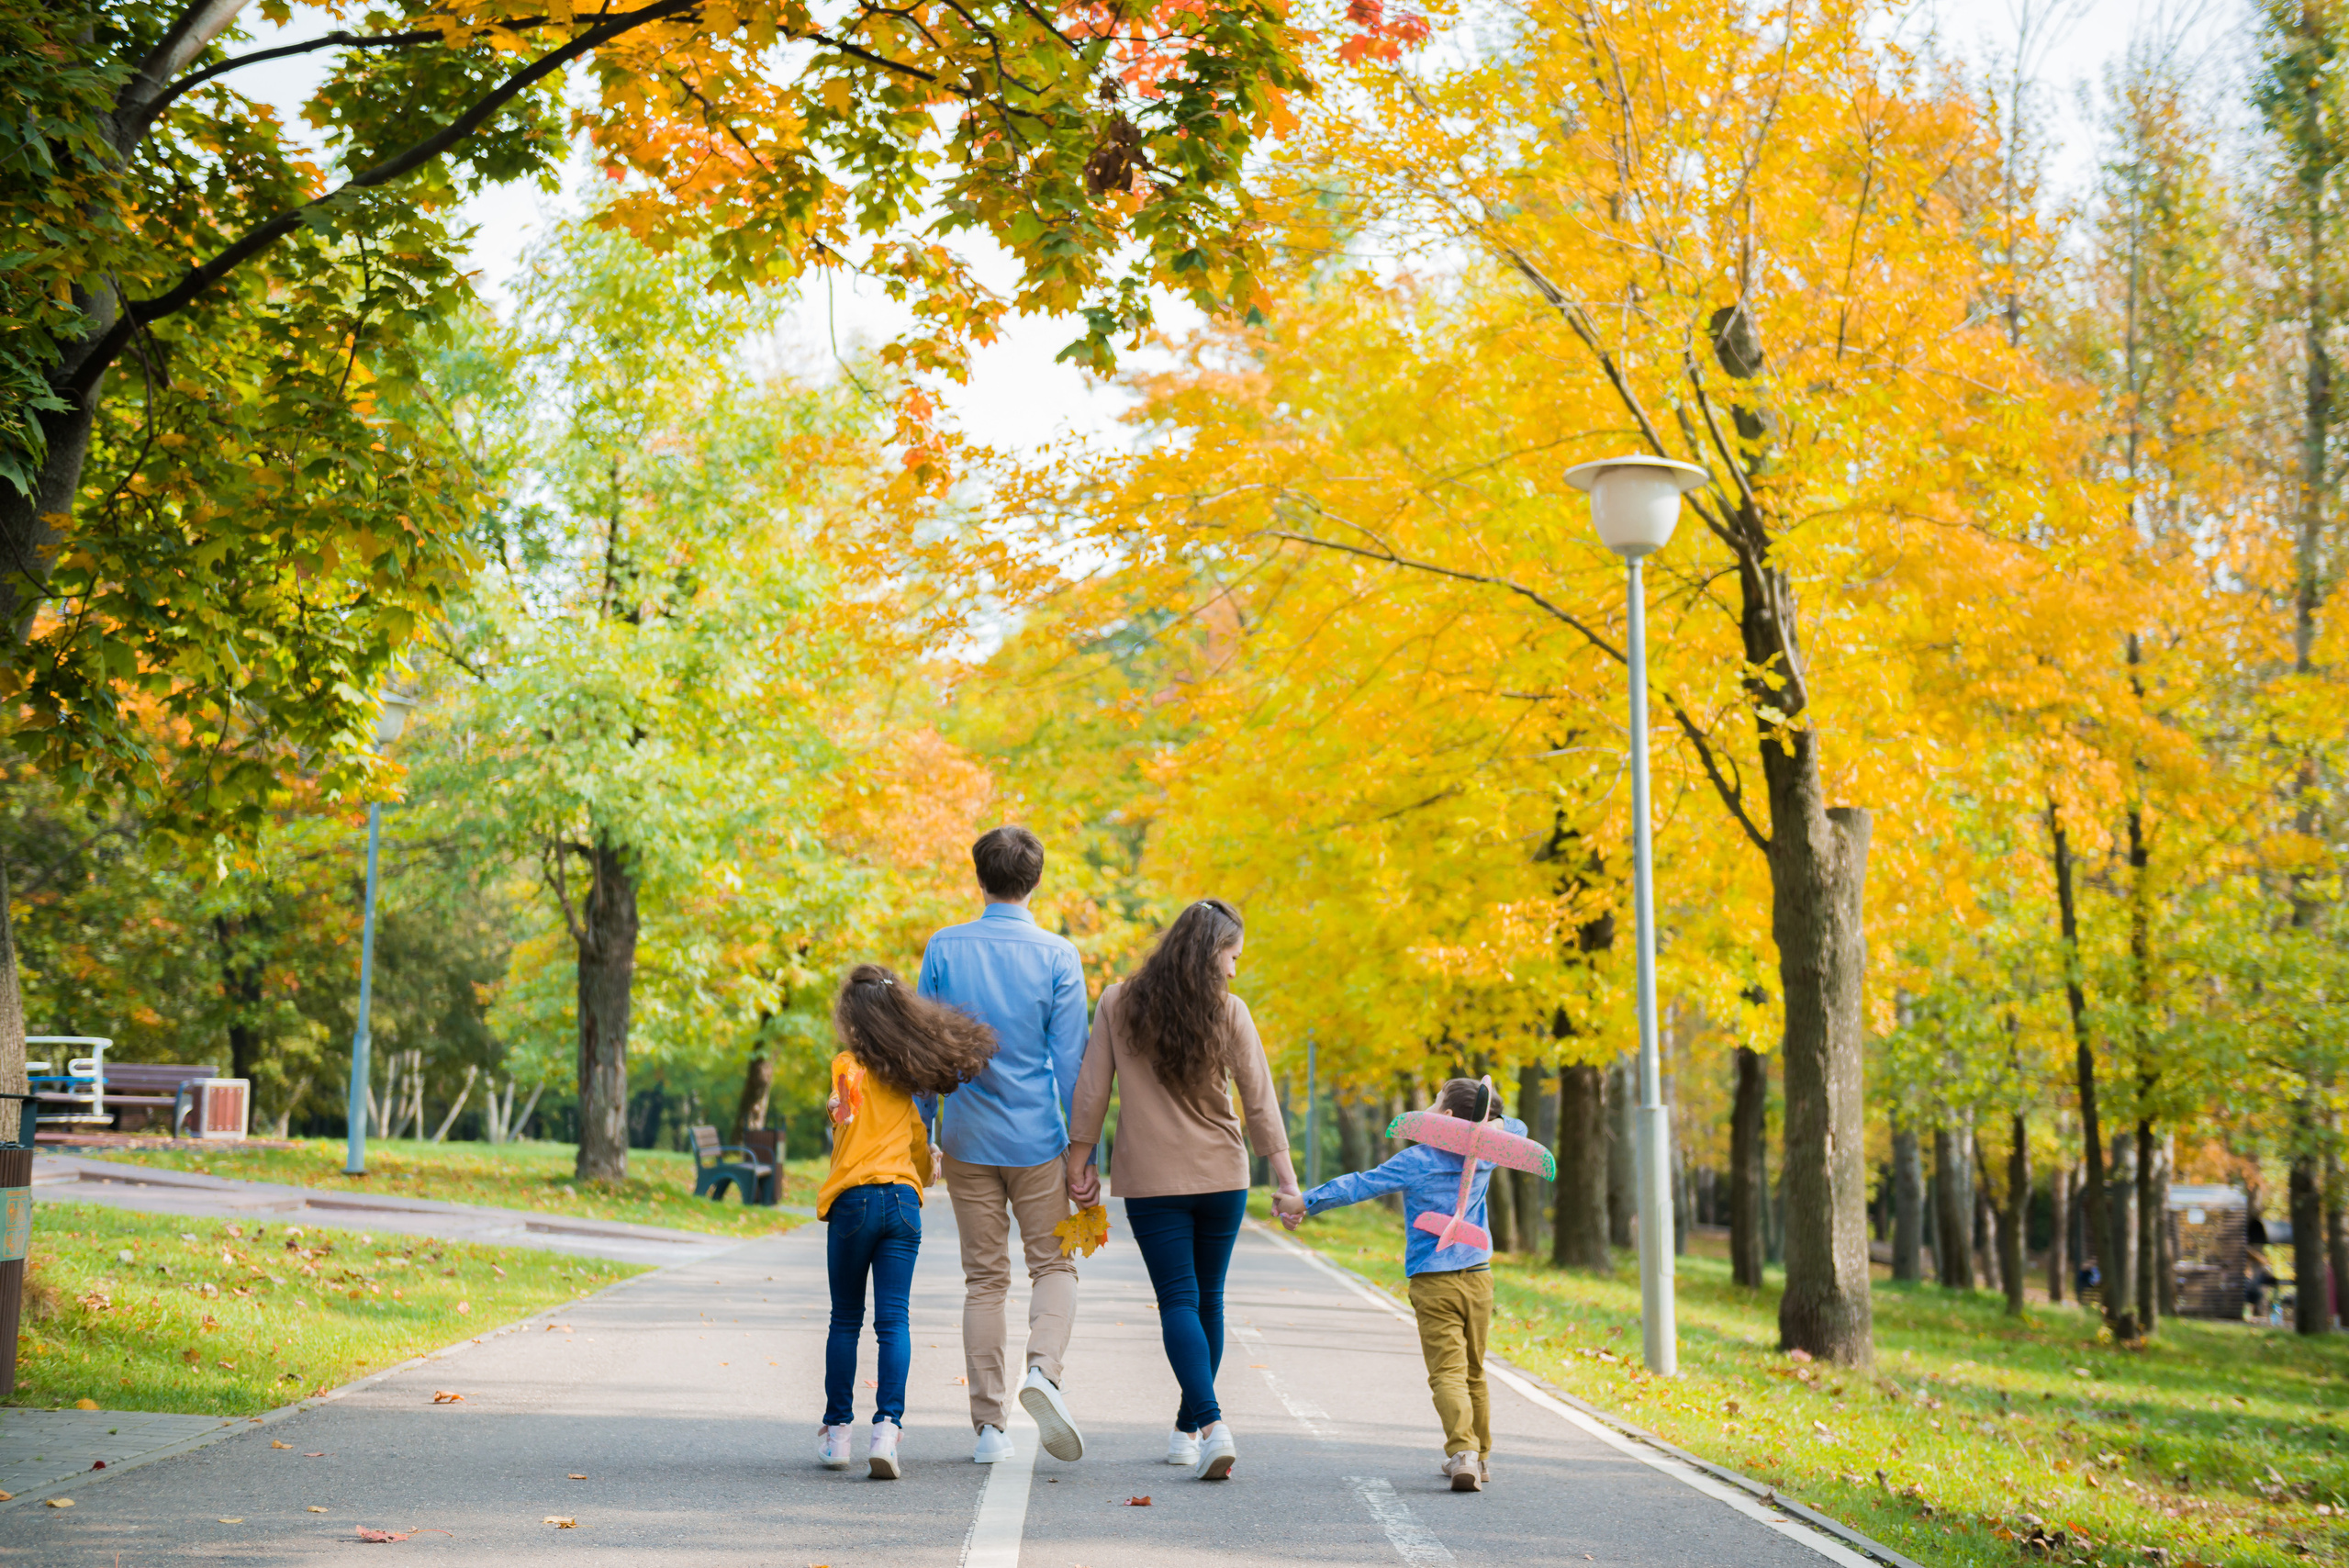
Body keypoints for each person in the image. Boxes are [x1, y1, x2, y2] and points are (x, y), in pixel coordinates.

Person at [1066, 898, 1303, 1481]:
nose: (1233, 968)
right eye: (1231, 954)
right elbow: (1259, 1100)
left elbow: (1092, 1088)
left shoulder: (1119, 1004)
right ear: (1209, 950)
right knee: (1209, 1300)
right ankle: (1191, 1428)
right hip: (1222, 1174)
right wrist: (1287, 1179)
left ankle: (1204, 1425)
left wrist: (1081, 1158)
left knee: (1178, 1300)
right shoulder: (1230, 1011)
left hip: (1151, 1179)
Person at [917, 825, 1092, 1464]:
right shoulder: (1058, 955)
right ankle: (1043, 1372)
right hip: (1038, 1140)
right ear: (1035, 880)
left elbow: (927, 1051)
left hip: (965, 1135)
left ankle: (989, 1429)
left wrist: (922, 1133)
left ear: (979, 876)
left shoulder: (944, 947)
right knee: (1053, 1265)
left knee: (984, 1279)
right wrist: (1084, 1150)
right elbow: (1071, 1061)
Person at [1294, 1077, 1529, 1493]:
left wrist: (1305, 1201)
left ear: (1450, 1117)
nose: (1430, 1111)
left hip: (1433, 1278)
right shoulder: (1493, 1152)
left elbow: (1360, 1184)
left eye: (1436, 1104)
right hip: (1478, 1277)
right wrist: (1485, 1128)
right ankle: (1483, 1456)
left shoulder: (1419, 1159)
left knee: (1447, 1373)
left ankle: (1463, 1454)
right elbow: (1519, 1128)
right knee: (1474, 1370)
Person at [816, 963, 997, 1479]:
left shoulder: (847, 1065)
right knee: (893, 1321)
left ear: (853, 1022)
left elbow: (843, 1110)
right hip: (902, 1204)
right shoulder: (910, 1077)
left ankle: (837, 1435)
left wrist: (838, 1108)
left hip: (852, 1203)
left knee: (845, 1320)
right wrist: (928, 1164)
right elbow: (921, 1157)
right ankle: (888, 1433)